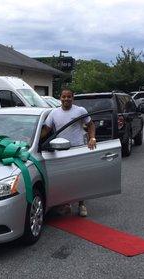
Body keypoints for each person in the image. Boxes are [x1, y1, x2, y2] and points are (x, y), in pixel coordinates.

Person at [42, 88, 96, 217]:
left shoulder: (80, 110)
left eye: (69, 97)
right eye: (64, 97)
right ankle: (66, 203)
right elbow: (46, 130)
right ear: (59, 98)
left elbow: (91, 125)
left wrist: (92, 138)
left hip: (77, 148)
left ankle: (81, 204)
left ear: (73, 98)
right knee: (64, 177)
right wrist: (30, 140)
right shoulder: (54, 113)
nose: (66, 99)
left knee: (79, 177)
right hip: (60, 149)